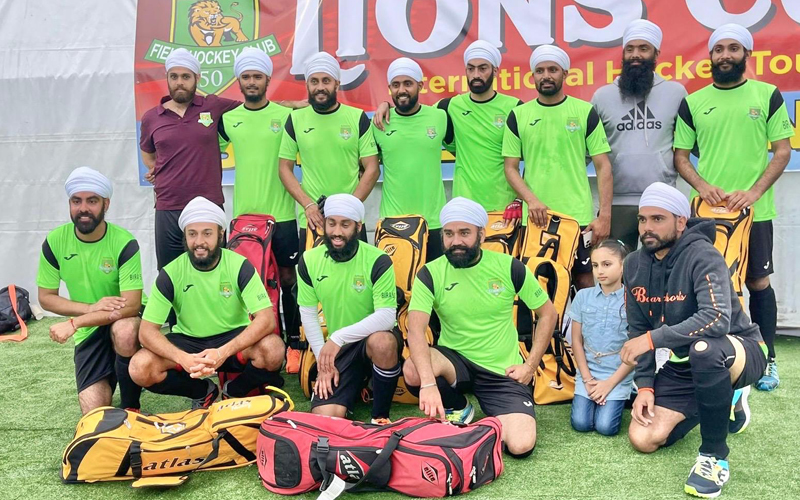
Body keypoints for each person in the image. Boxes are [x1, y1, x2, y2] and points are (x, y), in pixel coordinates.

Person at [621, 182, 767, 498]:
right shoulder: (633, 264)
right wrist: (645, 385)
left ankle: (714, 457)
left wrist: (653, 339)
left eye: (657, 219)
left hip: (739, 349)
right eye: (642, 219)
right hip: (684, 361)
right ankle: (721, 397)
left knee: (704, 350)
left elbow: (716, 319)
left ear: (680, 221)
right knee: (643, 438)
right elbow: (637, 328)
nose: (647, 228)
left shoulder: (703, 255)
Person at [674, 24, 794, 392]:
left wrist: (754, 192)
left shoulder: (767, 94)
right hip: (705, 216)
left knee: (757, 282)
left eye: (733, 48)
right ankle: (701, 356)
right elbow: (681, 156)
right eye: (719, 49)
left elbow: (782, 151)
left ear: (746, 55)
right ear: (710, 56)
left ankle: (767, 359)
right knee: (703, 284)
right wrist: (703, 187)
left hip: (755, 213)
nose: (725, 55)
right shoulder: (693, 102)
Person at [403, 197, 558, 458]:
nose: (456, 241)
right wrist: (428, 384)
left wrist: (530, 366)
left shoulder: (509, 267)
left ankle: (473, 428)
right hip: (455, 362)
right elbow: (416, 330)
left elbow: (548, 314)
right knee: (412, 369)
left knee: (521, 445)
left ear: (481, 235)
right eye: (449, 234)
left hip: (501, 370)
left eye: (464, 233)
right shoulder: (429, 273)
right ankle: (459, 407)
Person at [129, 197, 284, 409]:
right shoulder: (171, 273)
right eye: (192, 234)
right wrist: (182, 358)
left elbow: (266, 320)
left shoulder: (239, 265)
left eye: (207, 233)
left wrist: (223, 352)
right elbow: (146, 332)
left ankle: (234, 391)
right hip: (188, 342)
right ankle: (202, 391)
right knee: (139, 367)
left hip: (232, 337)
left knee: (273, 349)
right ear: (185, 236)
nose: (199, 242)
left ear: (220, 234)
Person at [502, 44, 613, 290]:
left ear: (565, 74)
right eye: (540, 71)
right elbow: (510, 168)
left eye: (552, 70)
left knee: (584, 282)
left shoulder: (584, 112)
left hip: (578, 217)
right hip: (536, 218)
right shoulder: (518, 115)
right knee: (537, 285)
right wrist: (532, 201)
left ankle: (585, 320)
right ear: (533, 76)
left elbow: (603, 166)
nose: (546, 76)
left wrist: (604, 215)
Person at [373, 40, 523, 217]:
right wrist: (386, 105)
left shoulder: (515, 107)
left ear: (495, 71)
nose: (476, 74)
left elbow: (531, 157)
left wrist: (519, 199)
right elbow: (412, 113)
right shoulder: (447, 108)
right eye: (471, 68)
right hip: (464, 206)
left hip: (506, 207)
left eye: (483, 68)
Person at [219, 48, 302, 367]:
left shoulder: (287, 116)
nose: (252, 82)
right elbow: (197, 144)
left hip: (283, 217)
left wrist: (297, 104)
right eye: (246, 77)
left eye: (257, 76)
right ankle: (251, 343)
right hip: (244, 220)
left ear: (268, 79)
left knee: (288, 279)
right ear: (238, 81)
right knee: (249, 284)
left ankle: (293, 343)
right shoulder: (228, 120)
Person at [37, 167, 143, 414]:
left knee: (125, 331)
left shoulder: (124, 242)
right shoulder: (54, 241)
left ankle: (131, 406)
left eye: (92, 201)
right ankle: (115, 372)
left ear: (106, 204)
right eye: (76, 201)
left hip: (124, 317)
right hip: (89, 329)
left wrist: (74, 322)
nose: (83, 208)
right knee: (93, 413)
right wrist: (90, 309)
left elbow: (131, 305)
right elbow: (46, 298)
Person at [297, 194, 401, 423]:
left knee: (382, 342)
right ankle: (359, 385)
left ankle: (380, 416)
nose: (337, 232)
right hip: (340, 349)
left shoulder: (378, 260)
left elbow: (386, 317)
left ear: (358, 227)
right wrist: (323, 363)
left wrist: (338, 338)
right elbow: (308, 314)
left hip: (370, 339)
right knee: (325, 419)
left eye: (345, 225)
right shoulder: (309, 260)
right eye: (331, 223)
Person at [139, 48, 239, 272]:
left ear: (197, 78)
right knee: (170, 274)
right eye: (174, 77)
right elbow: (148, 153)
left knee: (214, 271)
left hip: (209, 206)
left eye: (186, 77)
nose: (179, 83)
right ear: (167, 79)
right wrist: (160, 170)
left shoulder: (213, 106)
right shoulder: (151, 118)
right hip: (169, 206)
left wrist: (294, 106)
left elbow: (254, 109)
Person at [591, 20, 687, 249]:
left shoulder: (676, 93)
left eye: (643, 48)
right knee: (617, 265)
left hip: (662, 199)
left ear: (656, 54)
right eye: (630, 49)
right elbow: (587, 153)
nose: (636, 55)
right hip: (616, 203)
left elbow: (689, 146)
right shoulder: (602, 97)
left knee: (663, 266)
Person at [278, 52, 379, 252]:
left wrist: (349, 206)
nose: (320, 87)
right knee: (312, 272)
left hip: (350, 218)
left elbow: (372, 168)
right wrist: (308, 205)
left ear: (337, 84)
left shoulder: (357, 117)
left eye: (326, 80)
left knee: (357, 271)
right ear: (307, 85)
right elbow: (284, 168)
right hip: (313, 218)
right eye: (314, 81)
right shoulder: (295, 119)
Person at [372, 57, 454, 260]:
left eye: (408, 83)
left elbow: (462, 151)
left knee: (433, 279)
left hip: (433, 222)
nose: (402, 90)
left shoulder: (440, 117)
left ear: (420, 85)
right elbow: (366, 167)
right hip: (393, 222)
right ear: (389, 88)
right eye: (396, 85)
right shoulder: (379, 123)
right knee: (396, 280)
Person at [569, 240, 633, 436]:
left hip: (618, 373)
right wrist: (588, 379)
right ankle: (599, 397)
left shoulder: (633, 300)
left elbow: (636, 350)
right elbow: (576, 341)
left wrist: (609, 383)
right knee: (581, 423)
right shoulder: (583, 296)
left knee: (606, 427)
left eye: (607, 264)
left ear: (623, 265)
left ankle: (623, 394)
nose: (600, 271)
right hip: (588, 371)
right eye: (595, 265)